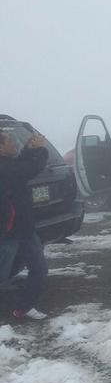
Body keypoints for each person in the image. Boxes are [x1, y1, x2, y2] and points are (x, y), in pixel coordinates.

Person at [0, 131, 50, 320]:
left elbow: (20, 165)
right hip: (7, 231)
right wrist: (41, 150)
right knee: (2, 275)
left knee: (39, 269)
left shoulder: (8, 164)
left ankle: (26, 306)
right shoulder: (3, 168)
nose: (15, 143)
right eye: (10, 141)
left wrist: (30, 149)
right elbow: (29, 169)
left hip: (25, 230)